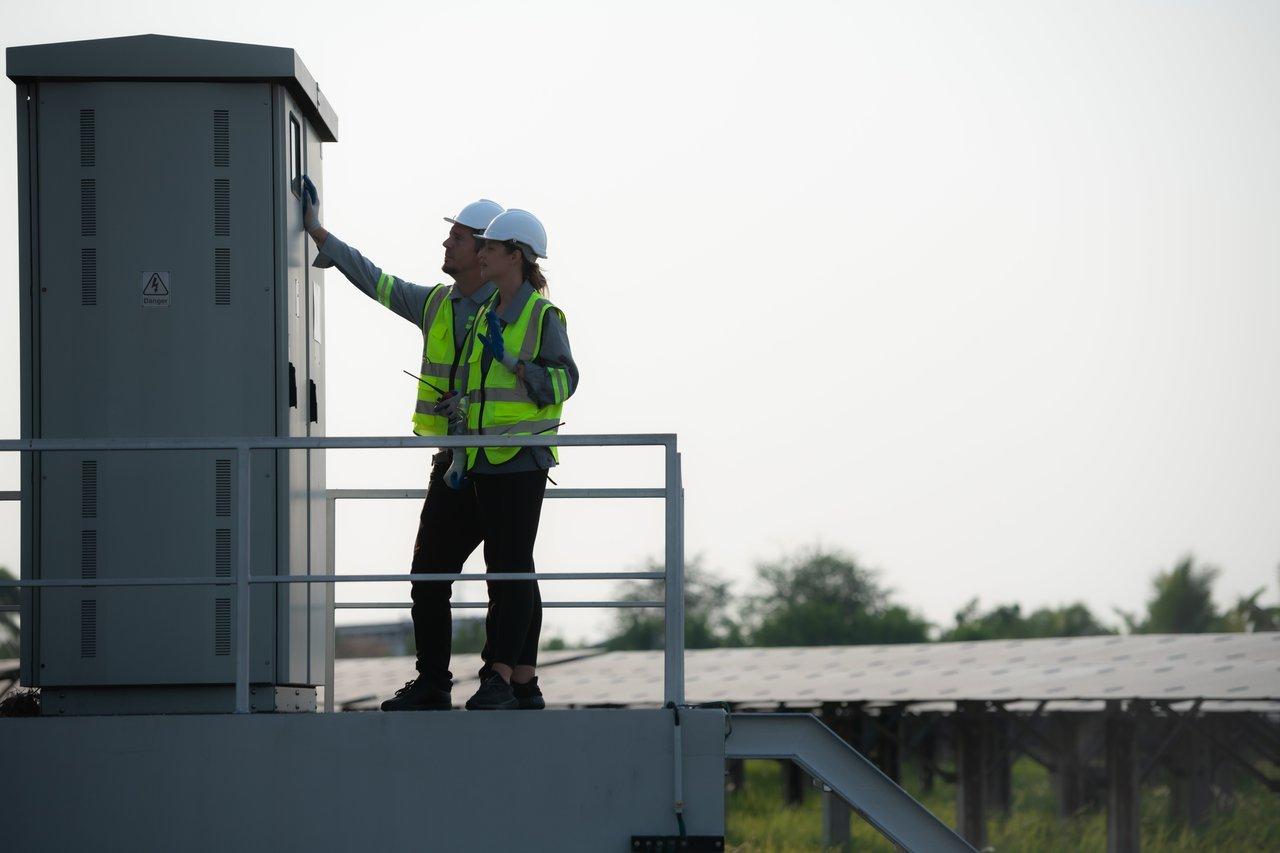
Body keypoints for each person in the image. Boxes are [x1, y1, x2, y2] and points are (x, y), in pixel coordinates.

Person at [299, 178, 514, 710]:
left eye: (457, 238)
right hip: (455, 464)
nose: (446, 246)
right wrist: (318, 234)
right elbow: (379, 282)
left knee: (505, 578)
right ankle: (433, 683)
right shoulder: (437, 304)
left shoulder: (516, 307)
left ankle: (498, 680)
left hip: (506, 465)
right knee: (428, 574)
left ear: (485, 249)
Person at [451, 209, 578, 711]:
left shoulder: (545, 316)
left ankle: (498, 675)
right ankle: (523, 680)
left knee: (509, 567)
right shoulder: (487, 313)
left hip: (522, 459)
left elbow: (565, 382)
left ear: (516, 256)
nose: (480, 252)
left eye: (491, 246)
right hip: (484, 459)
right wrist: (460, 456)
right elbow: (473, 392)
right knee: (510, 565)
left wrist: (514, 363)